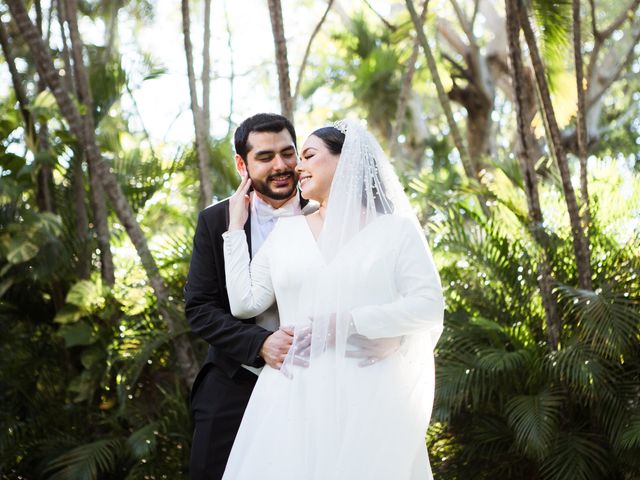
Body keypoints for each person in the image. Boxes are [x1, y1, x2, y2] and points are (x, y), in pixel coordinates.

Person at [221, 119, 445, 479]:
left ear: (347, 160)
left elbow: (429, 304)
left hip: (369, 392)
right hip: (293, 394)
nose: (297, 166)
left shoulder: (395, 232)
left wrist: (352, 323)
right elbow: (245, 303)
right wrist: (234, 228)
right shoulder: (286, 233)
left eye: (308, 155)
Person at [184, 113, 315, 480]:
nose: (281, 166)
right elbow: (199, 307)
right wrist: (260, 345)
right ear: (242, 164)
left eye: (288, 153)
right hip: (233, 380)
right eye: (265, 157)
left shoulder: (324, 213)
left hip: (309, 380)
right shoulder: (216, 220)